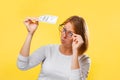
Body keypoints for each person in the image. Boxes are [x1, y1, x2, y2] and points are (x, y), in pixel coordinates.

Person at [17, 15, 91, 80]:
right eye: (64, 30)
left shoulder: (84, 60)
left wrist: (75, 51)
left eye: (70, 33)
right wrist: (30, 34)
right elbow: (22, 65)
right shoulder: (48, 49)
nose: (64, 36)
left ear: (79, 37)